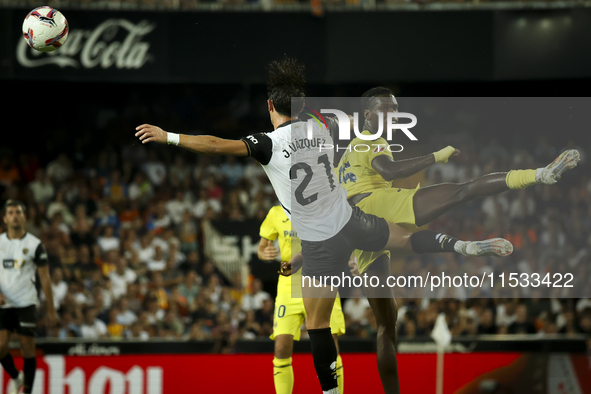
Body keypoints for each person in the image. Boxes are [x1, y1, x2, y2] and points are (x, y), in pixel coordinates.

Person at [135, 56, 513, 394]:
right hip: (351, 220)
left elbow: (216, 145)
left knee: (316, 326)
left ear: (269, 106)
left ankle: (331, 391)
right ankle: (460, 246)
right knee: (402, 238)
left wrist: (168, 135)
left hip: (320, 245)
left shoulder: (266, 143)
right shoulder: (321, 124)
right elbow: (343, 121)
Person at [331, 87, 580, 393]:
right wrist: (437, 155)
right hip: (375, 204)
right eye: (384, 110)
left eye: (395, 110)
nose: (392, 116)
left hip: (359, 229)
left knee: (386, 326)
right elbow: (389, 170)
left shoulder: (345, 155)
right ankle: (540, 175)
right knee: (462, 190)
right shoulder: (372, 140)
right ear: (367, 115)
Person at [258, 205, 346, 394]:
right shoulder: (276, 213)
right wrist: (264, 253)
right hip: (288, 286)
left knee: (330, 344)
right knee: (281, 346)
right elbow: (262, 247)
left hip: (321, 279)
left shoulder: (322, 206)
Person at [0, 200, 58, 394]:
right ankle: (17, 378)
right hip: (4, 303)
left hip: (26, 302)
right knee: (0, 346)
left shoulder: (35, 245)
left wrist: (51, 309)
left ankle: (27, 391)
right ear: (5, 218)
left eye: (18, 212)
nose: (15, 215)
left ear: (24, 217)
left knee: (27, 348)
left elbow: (45, 279)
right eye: (11, 212)